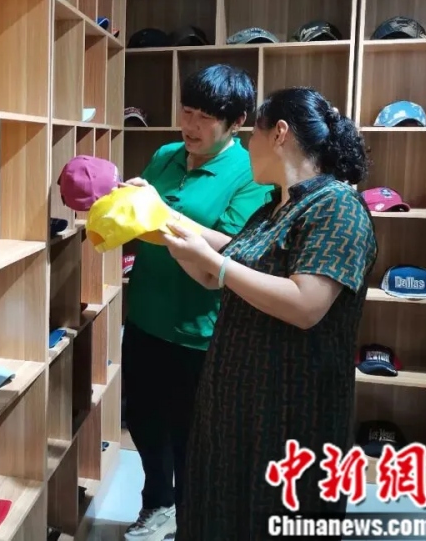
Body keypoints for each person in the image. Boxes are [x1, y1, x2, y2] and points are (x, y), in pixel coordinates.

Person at [160, 87, 378, 540]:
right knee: (217, 516)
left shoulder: (338, 207)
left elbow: (305, 305)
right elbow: (225, 267)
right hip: (234, 404)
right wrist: (159, 218)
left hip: (291, 411)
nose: (246, 148)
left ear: (279, 133)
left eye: (251, 135)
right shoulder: (274, 206)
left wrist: (215, 263)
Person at [121, 64, 273, 539]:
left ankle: (194, 519)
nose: (190, 125)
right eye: (186, 111)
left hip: (201, 331)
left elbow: (232, 247)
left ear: (237, 122)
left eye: (205, 117)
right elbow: (140, 221)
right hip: (145, 315)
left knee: (194, 438)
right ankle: (157, 504)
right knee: (144, 421)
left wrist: (159, 211)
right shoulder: (165, 155)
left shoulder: (250, 172)